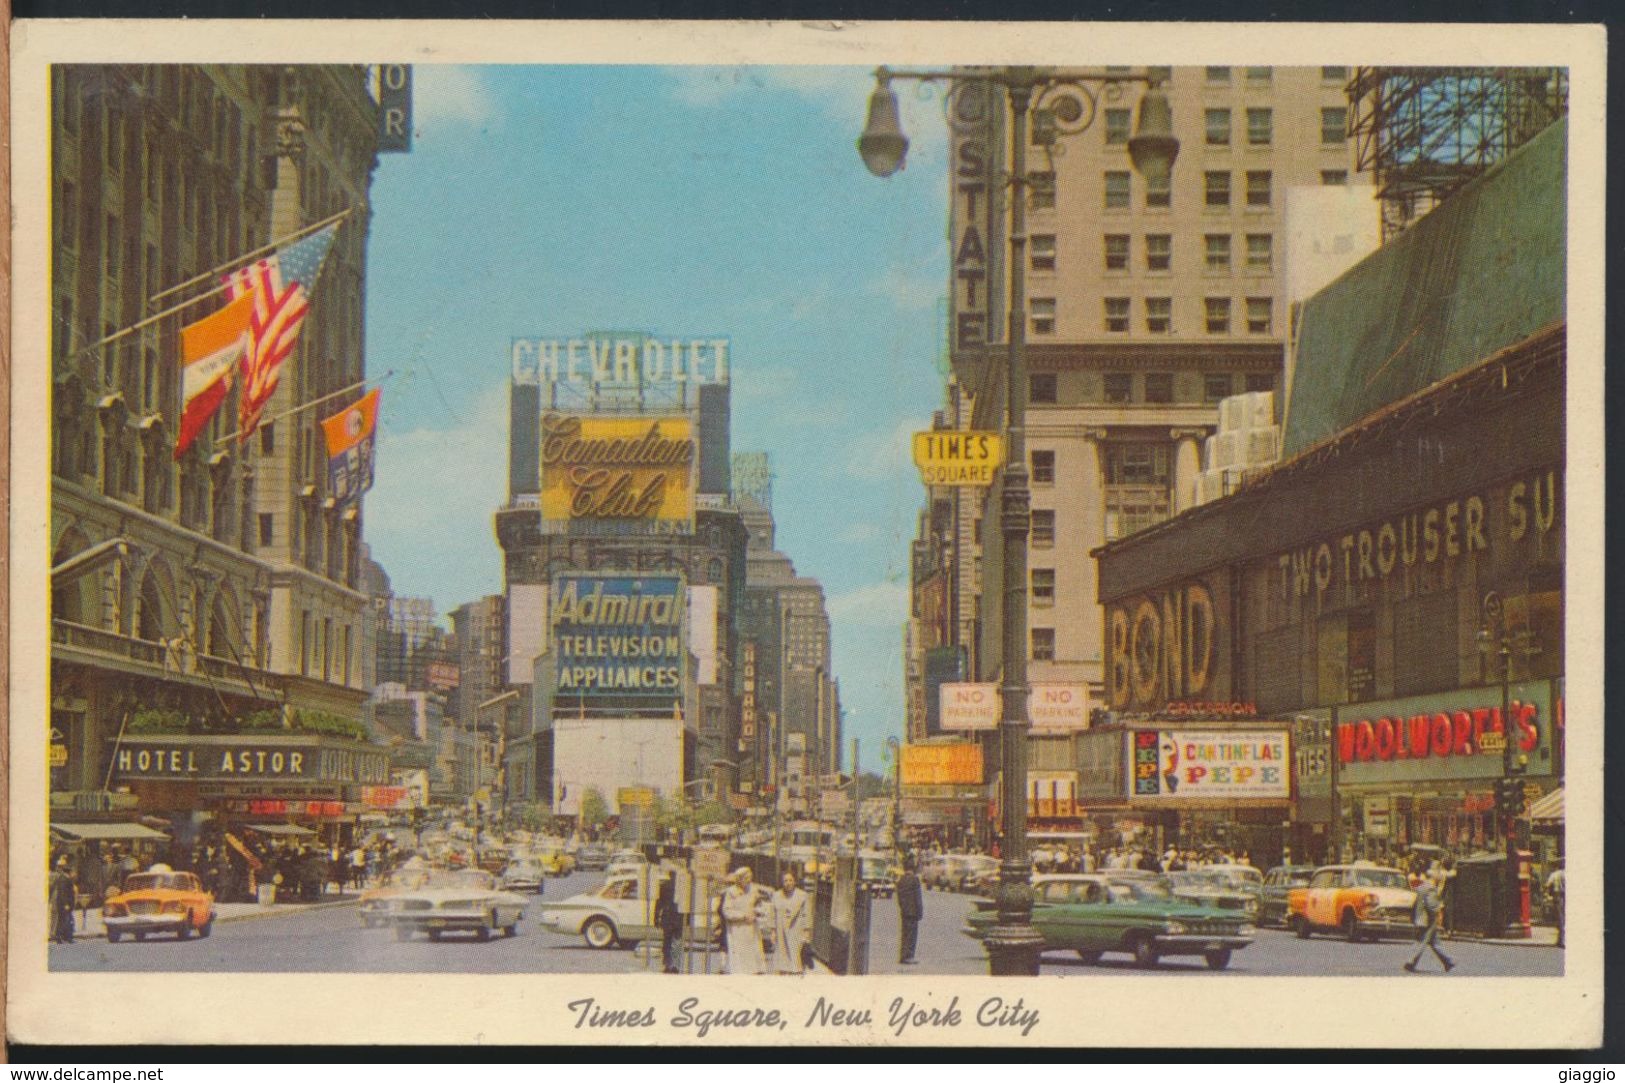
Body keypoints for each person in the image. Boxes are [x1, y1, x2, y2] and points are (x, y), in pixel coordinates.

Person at [1405, 862, 1454, 973]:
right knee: (1423, 941)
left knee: (1434, 942)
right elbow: (1432, 905)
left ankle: (1448, 962)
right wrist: (1439, 906)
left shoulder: (1422, 887)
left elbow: (1415, 903)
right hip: (1428, 920)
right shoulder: (1431, 888)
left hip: (1420, 918)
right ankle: (1410, 961)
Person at [720, 868, 766, 975]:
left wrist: (756, 912)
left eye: (750, 878)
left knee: (753, 960)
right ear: (739, 879)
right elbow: (727, 911)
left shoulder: (754, 890)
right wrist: (743, 916)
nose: (748, 880)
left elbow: (760, 906)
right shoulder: (731, 892)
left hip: (751, 929)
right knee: (739, 962)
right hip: (737, 930)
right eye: (746, 878)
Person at [769, 871, 812, 975]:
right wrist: (773, 931)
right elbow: (772, 914)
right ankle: (784, 971)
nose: (788, 883)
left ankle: (796, 972)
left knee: (795, 951)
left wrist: (806, 931)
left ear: (795, 881)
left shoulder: (802, 895)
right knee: (782, 951)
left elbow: (807, 914)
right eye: (785, 881)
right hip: (781, 928)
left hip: (796, 927)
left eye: (790, 880)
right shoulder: (776, 895)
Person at [654, 874, 684, 974]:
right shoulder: (683, 887)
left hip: (667, 917)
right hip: (679, 917)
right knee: (677, 942)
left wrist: (656, 917)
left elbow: (659, 903)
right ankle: (676, 965)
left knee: (667, 942)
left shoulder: (664, 886)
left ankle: (668, 964)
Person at [896, 858, 923, 965]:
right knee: (911, 935)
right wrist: (920, 912)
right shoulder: (915, 880)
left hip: (904, 911)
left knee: (905, 934)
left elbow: (899, 897)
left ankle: (903, 955)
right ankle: (909, 956)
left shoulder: (901, 880)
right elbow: (917, 898)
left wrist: (903, 907)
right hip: (913, 912)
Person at [49, 856, 77, 944]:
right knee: (66, 921)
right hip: (64, 904)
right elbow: (63, 893)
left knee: (64, 920)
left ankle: (63, 937)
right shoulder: (64, 879)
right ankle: (66, 937)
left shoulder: (63, 878)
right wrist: (66, 904)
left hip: (63, 903)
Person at [1544, 859, 1565, 947]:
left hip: (1558, 896)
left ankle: (1561, 940)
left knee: (1560, 919)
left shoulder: (1554, 874)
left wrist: (1547, 896)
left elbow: (1547, 885)